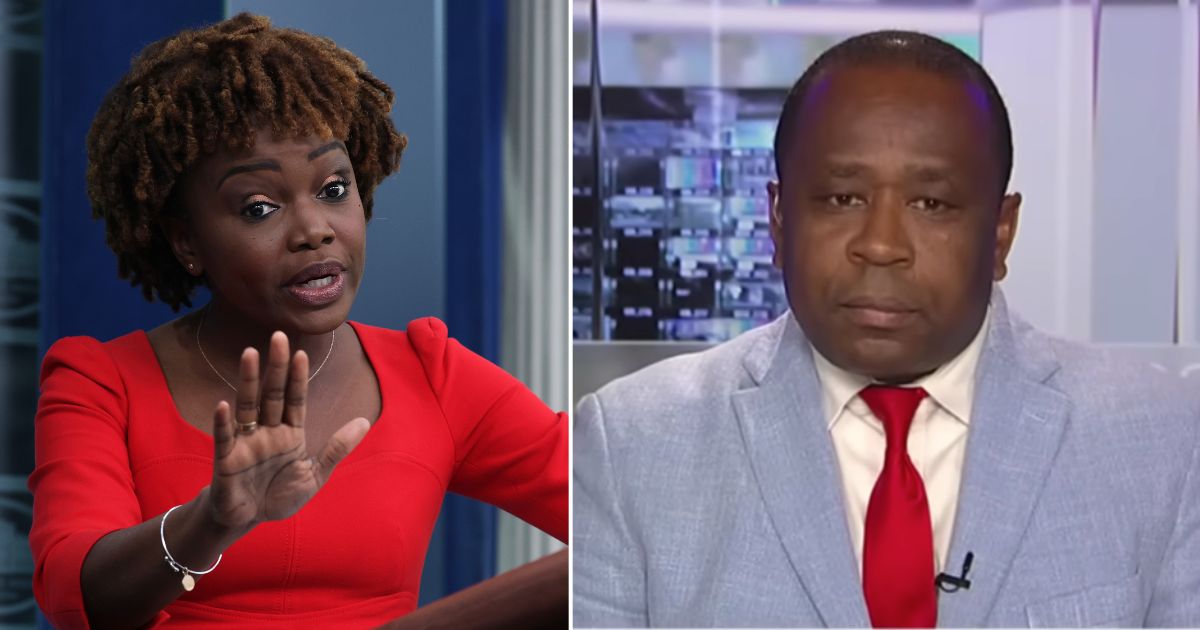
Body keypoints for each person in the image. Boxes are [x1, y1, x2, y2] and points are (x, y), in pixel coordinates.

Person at [573, 30, 1199, 628]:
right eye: (842, 199)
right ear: (779, 220)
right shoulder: (634, 442)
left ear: (1001, 233)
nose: (880, 245)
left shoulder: (1164, 439)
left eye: (931, 204)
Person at [29, 13, 567, 629]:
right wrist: (212, 521)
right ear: (187, 241)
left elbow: (635, 508)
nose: (315, 229)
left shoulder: (432, 374)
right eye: (260, 206)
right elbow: (79, 600)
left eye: (335, 189)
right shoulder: (100, 383)